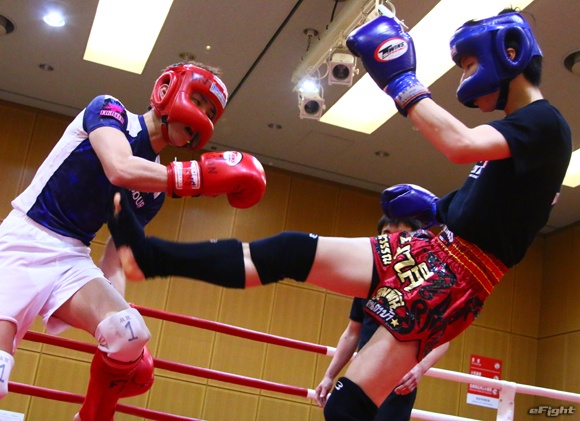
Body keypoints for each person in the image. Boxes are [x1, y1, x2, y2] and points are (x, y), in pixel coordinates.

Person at [107, 8, 572, 421]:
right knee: (290, 250)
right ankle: (150, 257)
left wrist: (402, 82)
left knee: (348, 408)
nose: (466, 75)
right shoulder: (518, 135)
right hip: (432, 249)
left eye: (469, 64)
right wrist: (433, 208)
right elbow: (486, 208)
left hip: (454, 278)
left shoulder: (545, 122)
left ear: (508, 52)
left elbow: (459, 144)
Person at [0, 61, 266, 421]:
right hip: (25, 240)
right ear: (167, 90)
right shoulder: (110, 111)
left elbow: (117, 257)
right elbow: (120, 167)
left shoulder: (154, 192)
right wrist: (197, 178)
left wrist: (119, 320)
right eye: (198, 101)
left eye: (210, 112)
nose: (201, 116)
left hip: (73, 259)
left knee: (130, 334)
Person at [315, 215, 450, 420]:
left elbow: (443, 339)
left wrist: (420, 369)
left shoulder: (427, 285)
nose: (392, 239)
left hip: (398, 383)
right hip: (360, 377)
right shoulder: (368, 281)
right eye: (387, 233)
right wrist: (329, 375)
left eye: (400, 234)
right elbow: (352, 332)